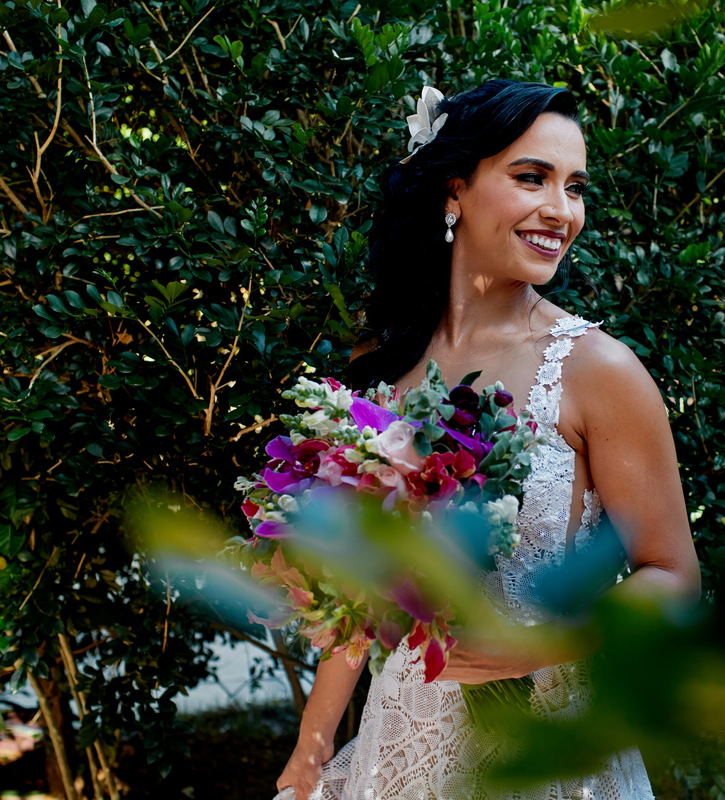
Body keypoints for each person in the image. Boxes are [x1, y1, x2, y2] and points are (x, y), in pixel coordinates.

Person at [275, 79, 701, 800]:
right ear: (454, 190)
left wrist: (540, 642)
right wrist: (310, 757)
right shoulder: (380, 363)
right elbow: (365, 603)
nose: (560, 211)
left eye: (575, 186)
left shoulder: (601, 371)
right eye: (532, 177)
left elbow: (674, 578)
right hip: (401, 744)